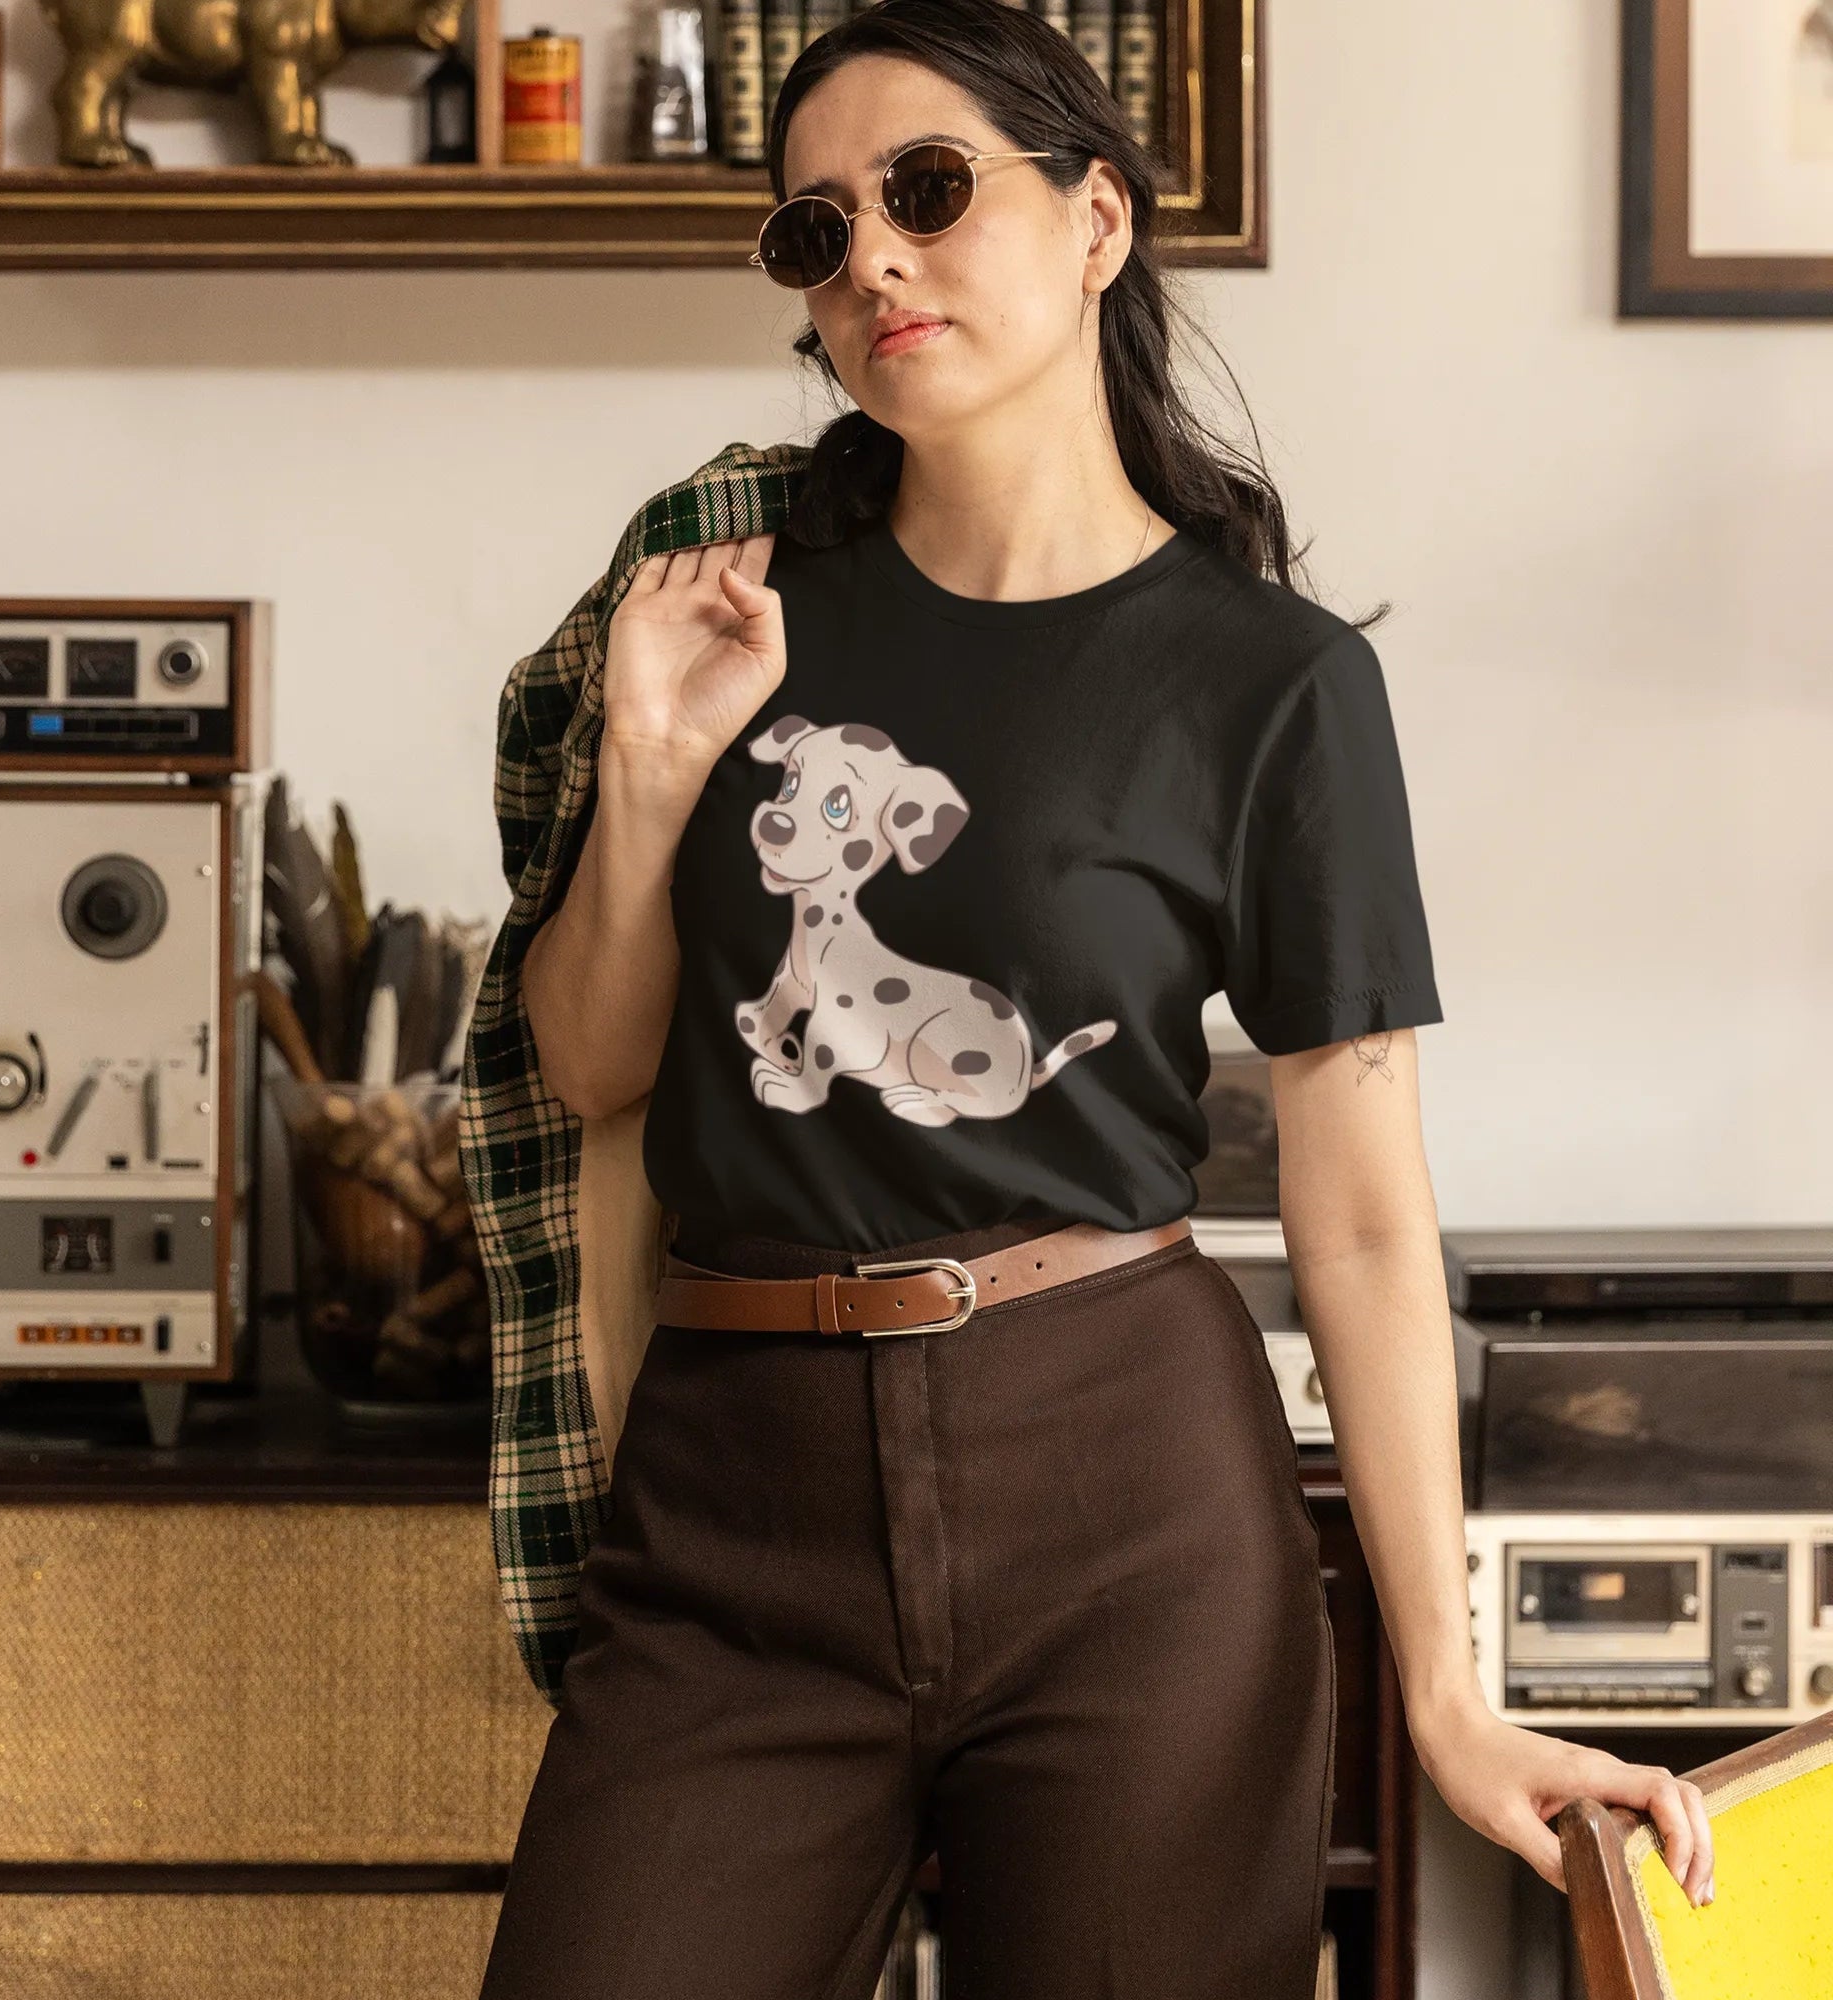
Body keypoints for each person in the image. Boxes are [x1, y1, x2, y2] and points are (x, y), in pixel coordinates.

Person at [471, 0, 1715, 1992]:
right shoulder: (723, 600)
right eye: (814, 229)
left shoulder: (1273, 684)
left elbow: (1369, 1212)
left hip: (1126, 1502)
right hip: (731, 1510)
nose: (870, 255)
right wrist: (645, 774)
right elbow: (591, 1061)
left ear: (1097, 223)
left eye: (930, 191)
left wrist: (1447, 1692)